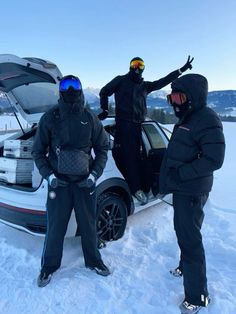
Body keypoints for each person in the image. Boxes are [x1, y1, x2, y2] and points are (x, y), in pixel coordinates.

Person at [32, 75, 110, 288]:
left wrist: (94, 175)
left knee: (89, 225)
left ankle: (94, 261)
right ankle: (48, 268)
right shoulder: (51, 117)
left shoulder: (90, 117)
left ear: (81, 89)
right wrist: (50, 176)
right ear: (60, 91)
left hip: (85, 184)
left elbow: (103, 148)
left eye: (74, 85)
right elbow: (38, 151)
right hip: (59, 184)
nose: (70, 90)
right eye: (66, 85)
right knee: (55, 227)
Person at [159, 74, 225, 313]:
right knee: (185, 231)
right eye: (171, 98)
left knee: (190, 240)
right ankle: (185, 267)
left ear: (193, 97)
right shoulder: (189, 116)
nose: (175, 103)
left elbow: (214, 159)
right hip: (185, 189)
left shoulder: (206, 119)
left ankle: (197, 297)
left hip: (192, 189)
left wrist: (182, 174)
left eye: (179, 97)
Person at [98, 56, 194, 205]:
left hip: (138, 126)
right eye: (134, 64)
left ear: (143, 68)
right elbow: (104, 91)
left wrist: (180, 70)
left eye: (140, 65)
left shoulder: (145, 86)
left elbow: (163, 81)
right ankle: (136, 189)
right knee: (130, 158)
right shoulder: (120, 80)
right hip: (124, 125)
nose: (137, 67)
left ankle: (145, 187)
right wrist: (104, 109)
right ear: (130, 66)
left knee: (139, 158)